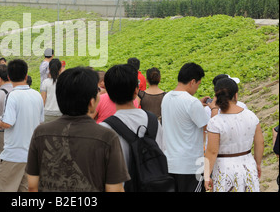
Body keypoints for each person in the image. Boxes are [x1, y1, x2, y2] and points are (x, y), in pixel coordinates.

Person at [26, 66, 129, 192]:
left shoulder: (40, 133)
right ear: (91, 102)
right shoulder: (107, 136)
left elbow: (32, 185)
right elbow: (115, 189)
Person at [99, 64, 164, 187]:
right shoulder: (153, 121)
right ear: (136, 90)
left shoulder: (104, 129)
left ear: (109, 92)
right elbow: (161, 152)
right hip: (151, 186)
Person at [0, 59, 44, 192]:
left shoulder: (13, 95)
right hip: (31, 156)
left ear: (8, 77)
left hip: (12, 155)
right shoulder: (37, 95)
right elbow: (41, 123)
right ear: (26, 76)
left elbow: (8, 123)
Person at [204, 78, 264, 192]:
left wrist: (207, 176)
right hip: (248, 166)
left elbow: (212, 152)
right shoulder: (251, 116)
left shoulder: (215, 122)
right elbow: (260, 142)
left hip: (225, 169)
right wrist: (258, 163)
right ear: (235, 95)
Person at [161, 62, 213, 192]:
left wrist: (198, 105)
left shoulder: (166, 98)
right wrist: (214, 108)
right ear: (193, 82)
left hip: (170, 163)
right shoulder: (191, 102)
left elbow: (182, 115)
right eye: (198, 84)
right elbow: (209, 127)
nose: (197, 88)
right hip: (190, 165)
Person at [40, 58, 63, 123]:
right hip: (60, 114)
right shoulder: (64, 82)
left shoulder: (45, 82)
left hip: (47, 114)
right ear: (60, 69)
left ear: (49, 69)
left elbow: (43, 101)